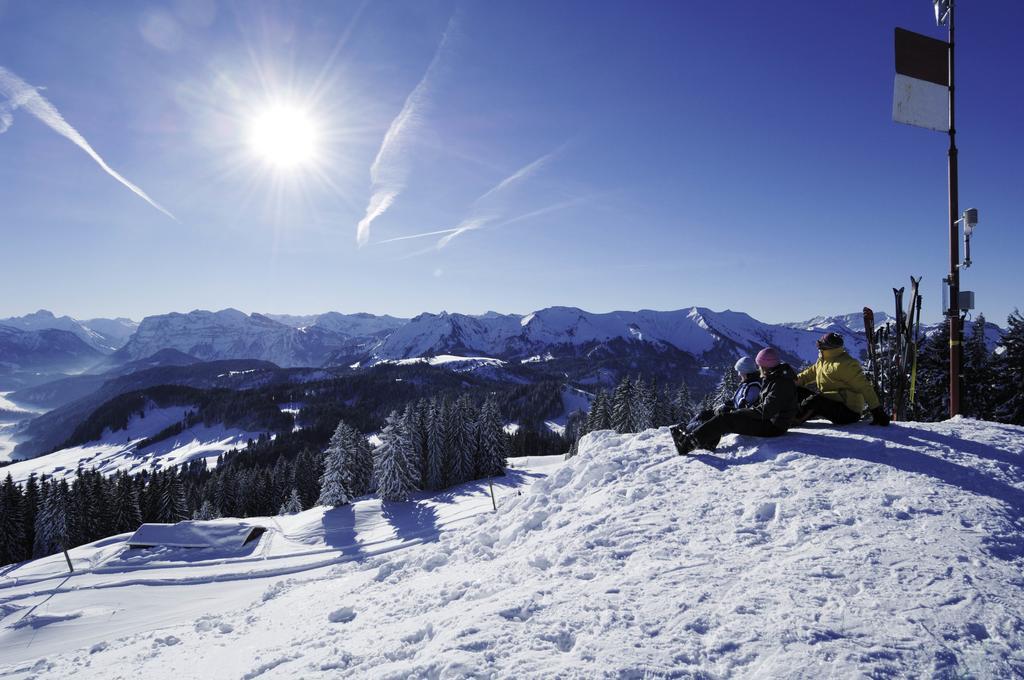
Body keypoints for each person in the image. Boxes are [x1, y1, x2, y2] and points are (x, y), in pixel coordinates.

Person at [670, 347, 799, 455]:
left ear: (765, 366)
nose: (758, 368)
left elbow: (765, 411)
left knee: (725, 419)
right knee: (725, 417)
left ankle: (687, 444)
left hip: (773, 427)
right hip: (769, 421)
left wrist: (739, 412)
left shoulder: (781, 383)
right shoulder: (773, 377)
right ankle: (703, 440)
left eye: (759, 366)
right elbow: (763, 404)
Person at [795, 332, 889, 426]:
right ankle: (788, 415)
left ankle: (793, 421)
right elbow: (807, 375)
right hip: (831, 402)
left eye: (820, 344)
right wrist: (791, 381)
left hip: (849, 412)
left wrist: (877, 410)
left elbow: (864, 387)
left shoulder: (845, 364)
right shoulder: (823, 361)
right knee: (797, 391)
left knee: (815, 401)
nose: (818, 347)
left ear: (826, 346)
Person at [685, 356, 763, 431]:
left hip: (733, 418)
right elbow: (736, 399)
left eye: (740, 371)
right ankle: (686, 428)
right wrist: (725, 405)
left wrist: (728, 409)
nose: (739, 374)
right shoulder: (746, 383)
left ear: (746, 372)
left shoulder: (753, 388)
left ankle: (689, 432)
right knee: (704, 414)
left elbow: (745, 410)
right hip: (730, 413)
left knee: (707, 422)